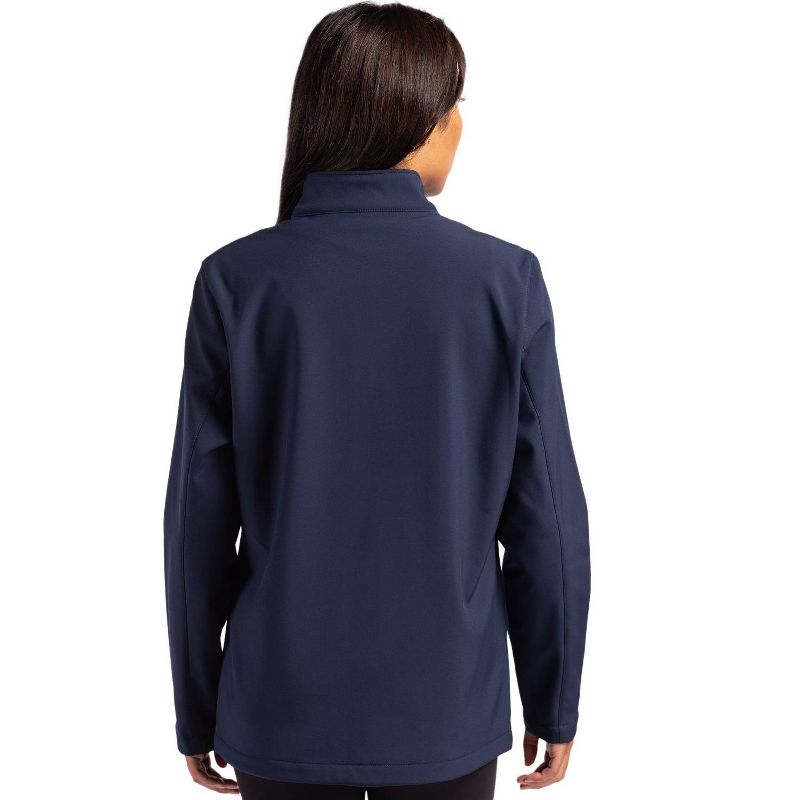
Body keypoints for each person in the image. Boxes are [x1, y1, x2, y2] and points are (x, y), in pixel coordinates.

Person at [163, 3, 591, 798]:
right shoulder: (503, 281)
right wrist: (553, 699)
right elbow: (548, 519)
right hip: (445, 713)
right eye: (454, 102)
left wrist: (198, 708)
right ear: (420, 118)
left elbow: (198, 521)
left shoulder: (236, 281)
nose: (460, 123)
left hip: (278, 710)